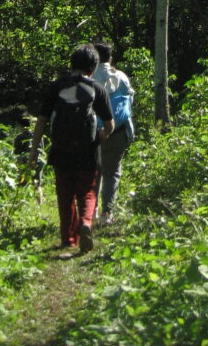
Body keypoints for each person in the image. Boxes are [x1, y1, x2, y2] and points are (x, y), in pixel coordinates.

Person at [30, 43, 113, 255]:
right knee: (87, 192)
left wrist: (34, 150)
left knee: (64, 195)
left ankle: (68, 238)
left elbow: (41, 120)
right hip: (88, 153)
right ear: (93, 68)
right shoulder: (97, 88)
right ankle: (86, 222)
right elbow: (110, 124)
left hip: (60, 151)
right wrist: (99, 137)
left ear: (72, 64)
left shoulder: (57, 86)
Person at [92, 41, 134, 224]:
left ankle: (90, 212)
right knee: (112, 173)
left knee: (94, 172)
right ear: (110, 58)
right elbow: (129, 102)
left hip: (92, 132)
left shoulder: (88, 78)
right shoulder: (121, 77)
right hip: (117, 132)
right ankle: (106, 214)